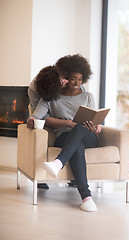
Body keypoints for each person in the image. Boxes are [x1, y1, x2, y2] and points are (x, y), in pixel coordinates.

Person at [27, 54, 101, 212]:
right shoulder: (50, 97)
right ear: (65, 78)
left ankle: (58, 163)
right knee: (77, 146)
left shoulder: (88, 96)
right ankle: (86, 197)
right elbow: (37, 115)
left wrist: (95, 127)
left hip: (88, 136)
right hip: (64, 138)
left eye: (81, 79)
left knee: (79, 128)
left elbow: (95, 122)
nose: (77, 83)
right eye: (73, 79)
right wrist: (31, 120)